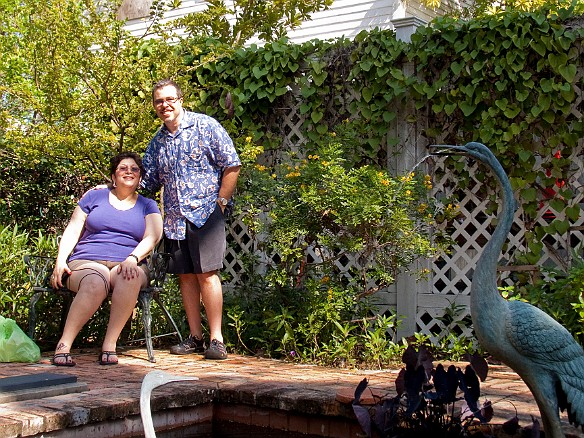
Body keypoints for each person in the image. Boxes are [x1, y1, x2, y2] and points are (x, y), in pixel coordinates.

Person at [142, 79, 241, 360]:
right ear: (155, 106)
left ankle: (216, 340)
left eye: (170, 99)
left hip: (206, 215)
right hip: (174, 219)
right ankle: (195, 338)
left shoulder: (205, 126)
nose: (165, 105)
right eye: (159, 101)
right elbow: (146, 182)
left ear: (181, 100)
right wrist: (112, 188)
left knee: (208, 275)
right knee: (185, 277)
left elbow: (231, 163)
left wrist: (220, 203)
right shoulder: (157, 142)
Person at [50, 152, 163, 366]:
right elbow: (73, 229)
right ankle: (64, 345)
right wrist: (60, 260)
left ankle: (109, 345)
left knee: (129, 276)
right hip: (86, 260)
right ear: (113, 175)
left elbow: (153, 236)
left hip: (129, 261)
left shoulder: (148, 205)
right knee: (96, 280)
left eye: (134, 169)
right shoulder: (94, 197)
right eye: (123, 168)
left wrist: (133, 258)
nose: (129, 171)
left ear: (140, 178)